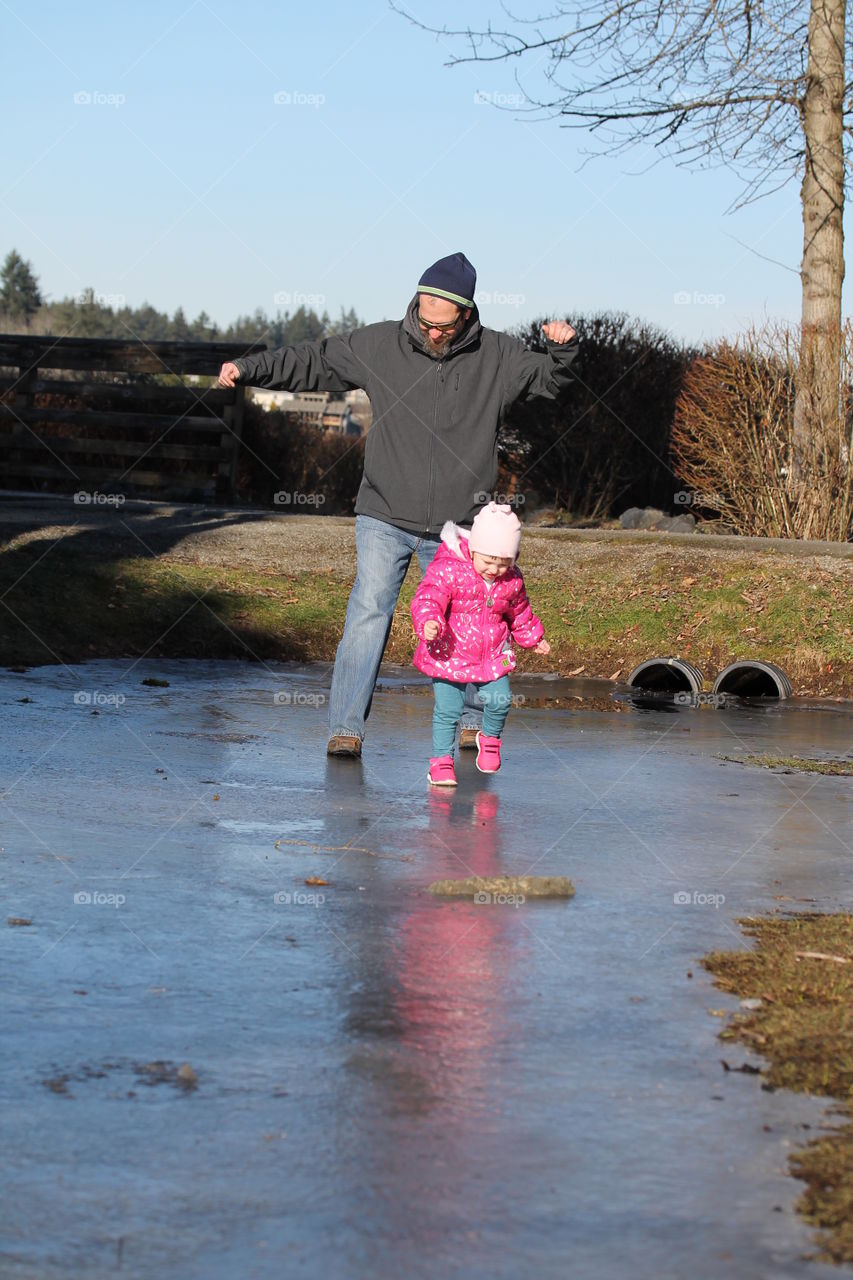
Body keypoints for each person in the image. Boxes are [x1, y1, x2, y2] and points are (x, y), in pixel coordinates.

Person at [218, 252, 576, 758]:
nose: (431, 332)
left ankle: (472, 722)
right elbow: (314, 360)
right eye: (425, 321)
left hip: (459, 525)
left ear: (466, 314)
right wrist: (248, 367)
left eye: (442, 326)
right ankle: (346, 728)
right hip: (384, 513)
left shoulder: (497, 355)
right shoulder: (381, 344)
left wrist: (563, 348)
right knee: (368, 614)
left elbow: (550, 380)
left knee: (469, 620)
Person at [410, 502, 549, 786]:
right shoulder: (449, 569)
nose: (494, 570)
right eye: (488, 561)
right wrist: (430, 621)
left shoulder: (512, 580)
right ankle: (441, 762)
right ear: (473, 549)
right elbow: (429, 596)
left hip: (491, 654)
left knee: (500, 700)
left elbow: (519, 611)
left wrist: (533, 637)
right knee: (449, 710)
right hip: (450, 652)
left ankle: (489, 739)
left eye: (504, 563)